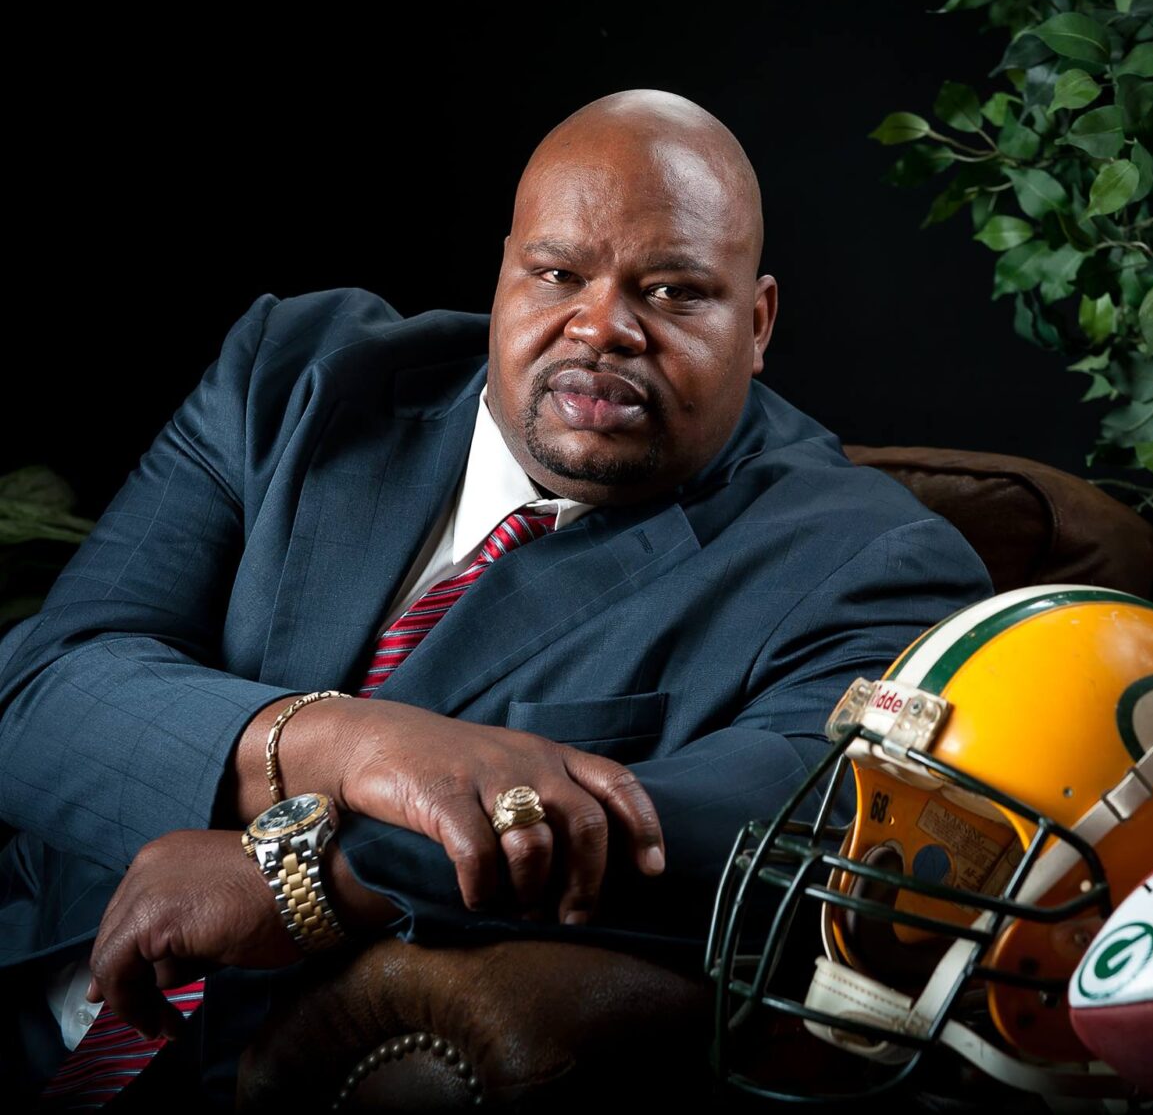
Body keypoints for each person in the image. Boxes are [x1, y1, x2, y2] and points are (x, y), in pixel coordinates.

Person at [0, 90, 992, 1102]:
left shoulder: (865, 558)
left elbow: (760, 838)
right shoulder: (300, 377)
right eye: (558, 273)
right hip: (33, 978)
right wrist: (358, 747)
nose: (603, 325)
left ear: (758, 320)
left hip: (268, 1070)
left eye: (674, 291)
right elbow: (39, 688)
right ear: (505, 272)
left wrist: (311, 876)